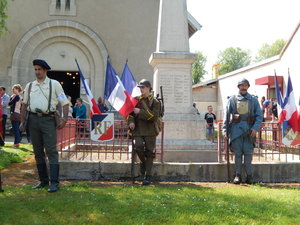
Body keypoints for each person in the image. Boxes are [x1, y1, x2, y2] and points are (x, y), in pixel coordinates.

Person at [20, 59, 69, 193]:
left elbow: (64, 103)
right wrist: (22, 122)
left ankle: (54, 182)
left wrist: (64, 119)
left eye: (39, 69)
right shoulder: (30, 85)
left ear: (45, 70)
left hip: (48, 120)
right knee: (37, 151)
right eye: (35, 69)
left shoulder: (55, 84)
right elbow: (24, 104)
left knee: (51, 151)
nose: (37, 72)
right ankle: (43, 181)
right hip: (33, 120)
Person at [222, 78, 262, 184]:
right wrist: (225, 131)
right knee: (238, 154)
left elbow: (259, 116)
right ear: (238, 87)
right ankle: (238, 175)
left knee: (248, 154)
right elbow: (226, 116)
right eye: (241, 85)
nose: (243, 87)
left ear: (248, 87)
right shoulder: (232, 100)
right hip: (236, 131)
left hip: (250, 130)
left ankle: (249, 176)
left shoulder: (254, 100)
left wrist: (255, 128)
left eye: (245, 85)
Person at [127, 79, 160, 185]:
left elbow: (154, 116)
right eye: (140, 87)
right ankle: (144, 163)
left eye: (143, 87)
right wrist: (131, 122)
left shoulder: (155, 102)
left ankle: (148, 176)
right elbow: (130, 114)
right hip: (138, 129)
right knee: (138, 146)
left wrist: (140, 112)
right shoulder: (136, 100)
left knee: (150, 152)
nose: (141, 89)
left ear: (149, 88)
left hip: (150, 130)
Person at [9, 84, 23, 148]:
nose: (12, 90)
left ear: (17, 89)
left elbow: (10, 103)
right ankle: (17, 142)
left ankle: (16, 143)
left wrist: (12, 97)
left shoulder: (17, 96)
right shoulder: (19, 96)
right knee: (16, 129)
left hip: (15, 114)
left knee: (16, 129)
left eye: (13, 89)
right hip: (18, 114)